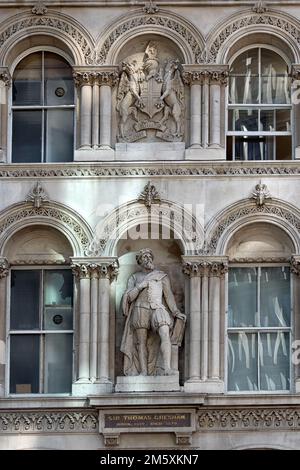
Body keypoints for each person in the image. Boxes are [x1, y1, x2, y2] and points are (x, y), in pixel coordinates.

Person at [120, 248, 186, 376]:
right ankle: (143, 371)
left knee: (165, 332)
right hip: (140, 309)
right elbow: (129, 297)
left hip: (157, 308)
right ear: (140, 262)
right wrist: (140, 286)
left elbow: (169, 296)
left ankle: (167, 368)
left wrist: (175, 311)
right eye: (144, 257)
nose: (148, 259)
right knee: (141, 341)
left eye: (149, 256)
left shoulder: (161, 276)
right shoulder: (134, 277)